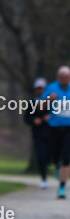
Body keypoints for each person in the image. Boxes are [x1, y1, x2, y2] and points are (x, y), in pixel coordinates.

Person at [43, 66, 70, 199]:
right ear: (58, 78)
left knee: (66, 157)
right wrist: (49, 100)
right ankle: (57, 166)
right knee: (55, 156)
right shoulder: (51, 88)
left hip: (68, 129)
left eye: (67, 77)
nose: (65, 80)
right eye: (62, 77)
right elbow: (39, 106)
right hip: (53, 128)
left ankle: (61, 187)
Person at [24, 78, 51, 188]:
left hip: (50, 133)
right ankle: (44, 179)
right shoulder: (31, 103)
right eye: (38, 89)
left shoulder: (51, 102)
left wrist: (50, 118)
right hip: (38, 134)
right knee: (41, 156)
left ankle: (54, 167)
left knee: (50, 155)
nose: (40, 91)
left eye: (42, 88)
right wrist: (34, 120)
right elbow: (26, 118)